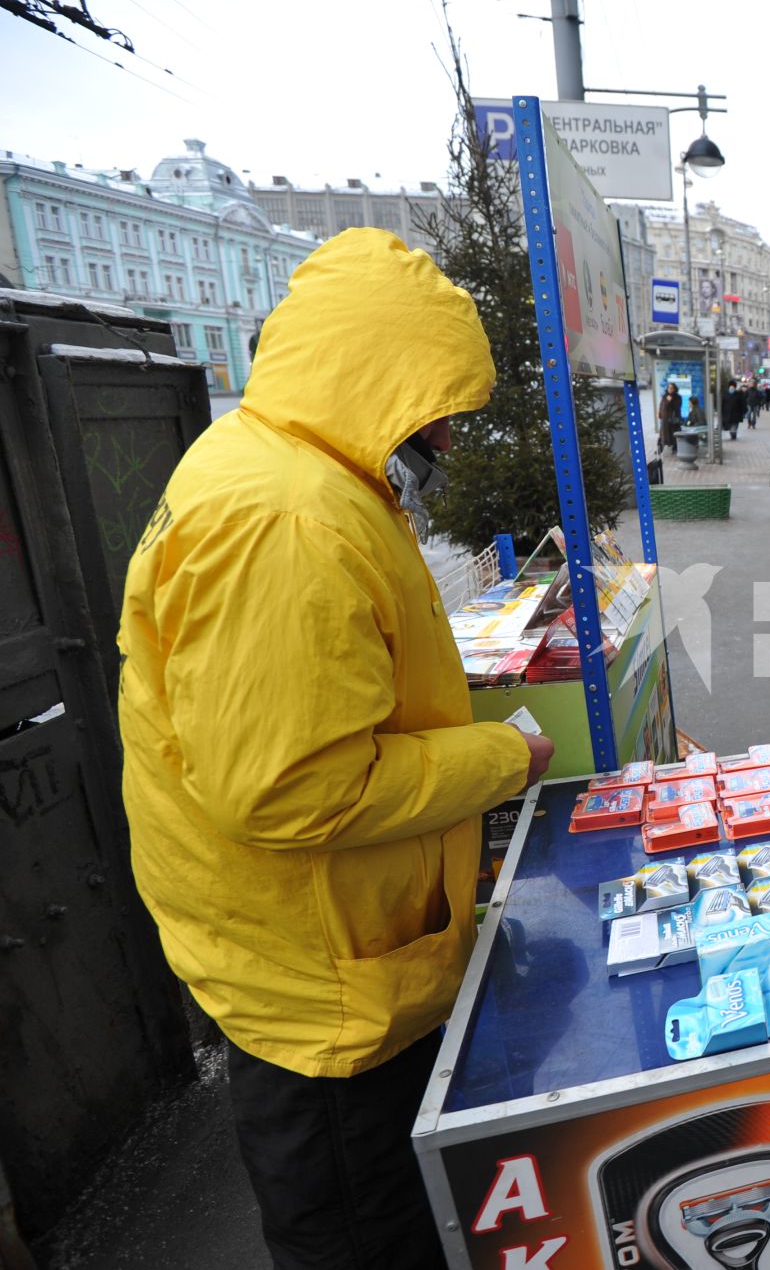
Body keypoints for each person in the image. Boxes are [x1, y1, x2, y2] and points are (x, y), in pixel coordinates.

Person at [117, 228, 556, 1267]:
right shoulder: (288, 516)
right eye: (440, 406)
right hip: (325, 994)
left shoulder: (292, 470)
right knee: (366, 1234)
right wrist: (505, 762)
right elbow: (296, 789)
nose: (448, 435)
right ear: (377, 376)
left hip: (324, 947)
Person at [658, 382, 683, 457]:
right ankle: (661, 448)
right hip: (665, 419)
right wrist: (659, 413)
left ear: (675, 389)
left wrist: (670, 401)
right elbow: (661, 405)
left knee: (674, 434)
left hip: (673, 420)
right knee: (663, 434)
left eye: (672, 388)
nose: (670, 389)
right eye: (669, 388)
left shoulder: (678, 397)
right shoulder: (665, 396)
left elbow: (677, 407)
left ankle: (675, 448)